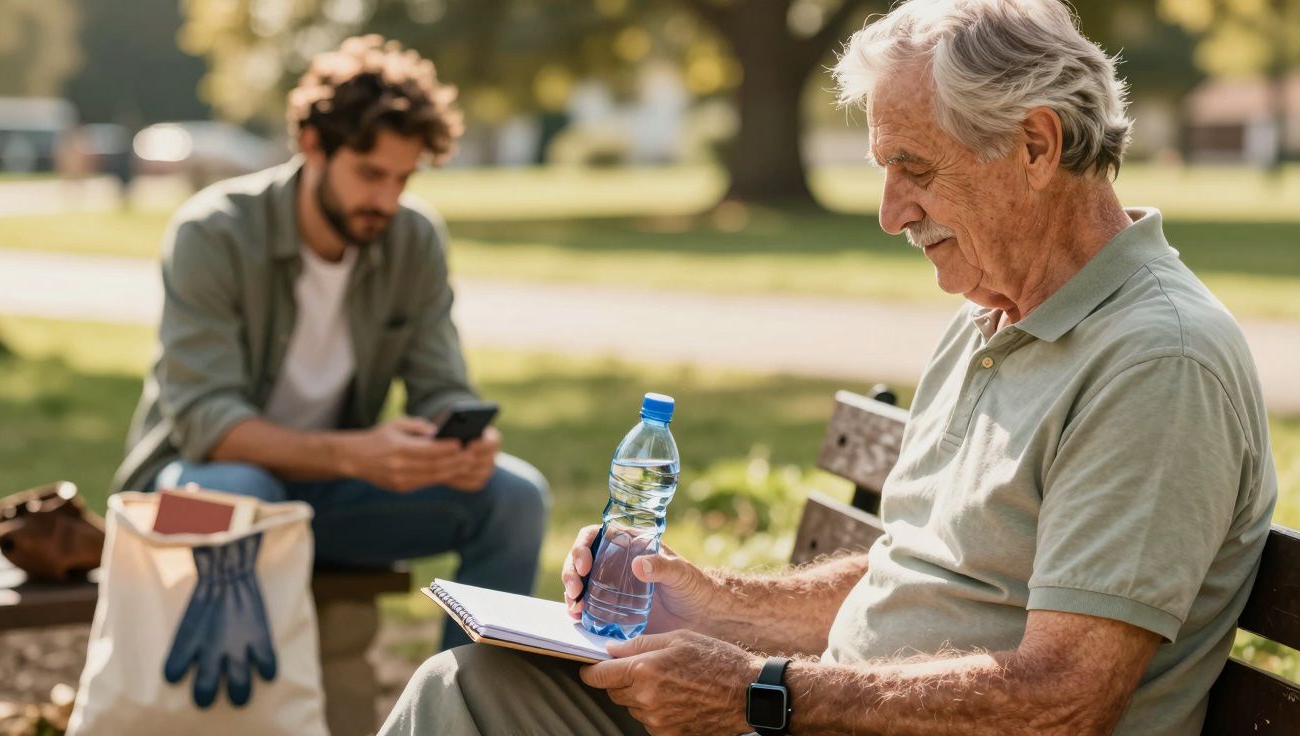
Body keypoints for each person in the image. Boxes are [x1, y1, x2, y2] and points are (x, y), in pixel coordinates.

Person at [378, 0, 1279, 733]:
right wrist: (706, 604)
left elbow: (1064, 700)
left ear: (1036, 146)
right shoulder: (993, 316)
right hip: (825, 715)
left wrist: (757, 691)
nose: (891, 213)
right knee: (470, 688)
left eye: (914, 167)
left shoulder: (1157, 362)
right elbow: (912, 575)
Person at [112, 35, 550, 651]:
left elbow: (442, 388)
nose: (386, 200)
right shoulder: (213, 232)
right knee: (243, 491)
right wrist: (355, 455)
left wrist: (463, 442)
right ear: (312, 143)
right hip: (184, 499)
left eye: (402, 178)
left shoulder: (413, 239)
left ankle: (462, 701)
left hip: (325, 499)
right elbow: (207, 424)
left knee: (515, 497)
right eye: (370, 174)